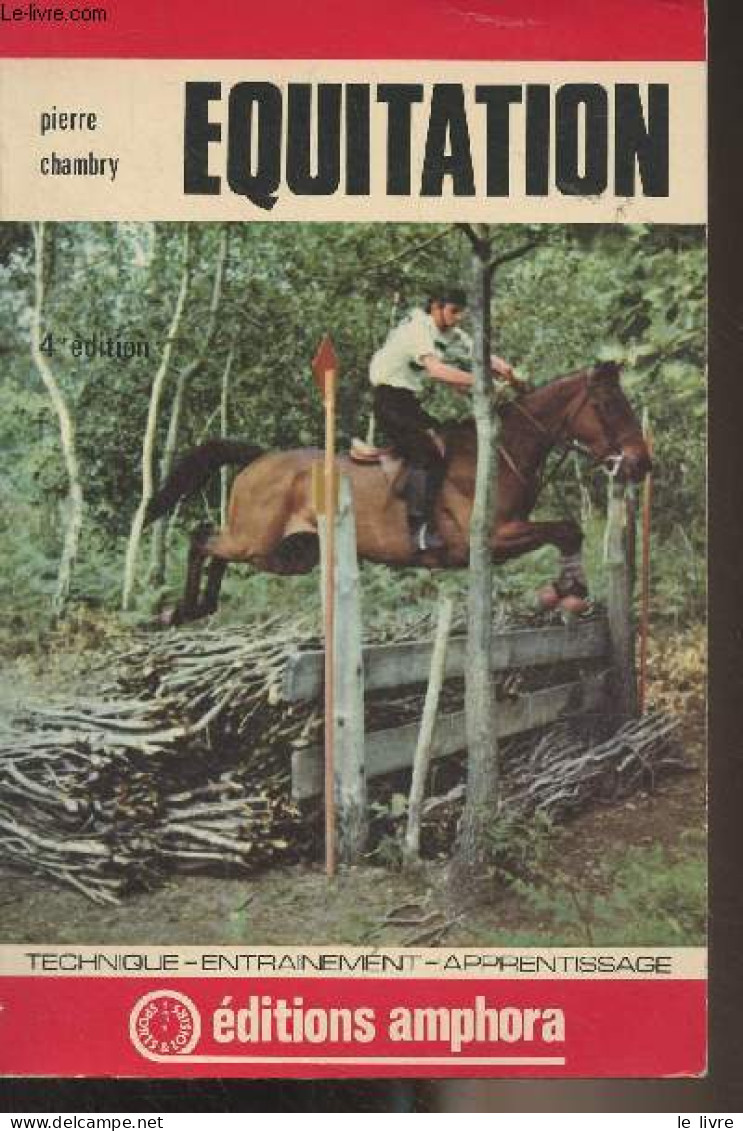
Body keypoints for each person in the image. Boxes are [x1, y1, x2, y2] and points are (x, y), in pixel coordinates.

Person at [370, 285, 524, 552]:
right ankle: (417, 530)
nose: (458, 317)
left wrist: (507, 371)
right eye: (454, 310)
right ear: (436, 307)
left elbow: (478, 353)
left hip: (407, 401)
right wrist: (482, 382)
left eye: (461, 312)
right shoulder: (418, 328)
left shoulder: (448, 332)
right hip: (389, 401)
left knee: (448, 445)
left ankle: (433, 508)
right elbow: (437, 371)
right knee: (427, 453)